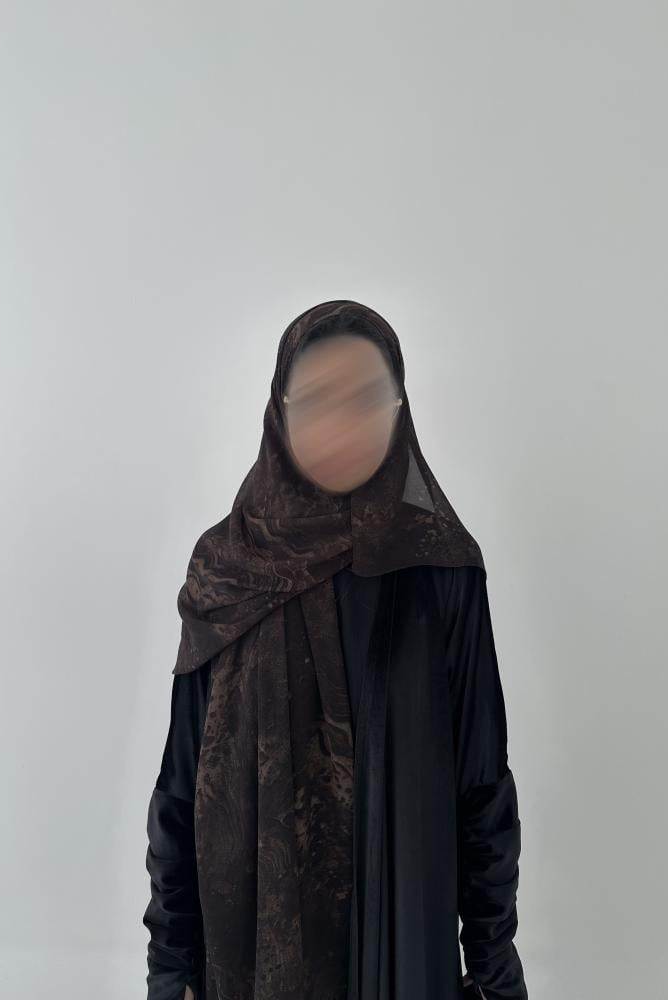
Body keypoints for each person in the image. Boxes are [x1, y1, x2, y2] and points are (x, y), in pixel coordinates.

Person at [143, 299, 528, 1000]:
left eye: (368, 398)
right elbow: (181, 792)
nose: (345, 423)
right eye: (318, 400)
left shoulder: (442, 570)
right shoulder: (227, 573)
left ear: (400, 409)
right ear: (280, 411)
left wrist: (494, 969)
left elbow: (482, 790)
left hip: (402, 957)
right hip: (252, 961)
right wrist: (171, 972)